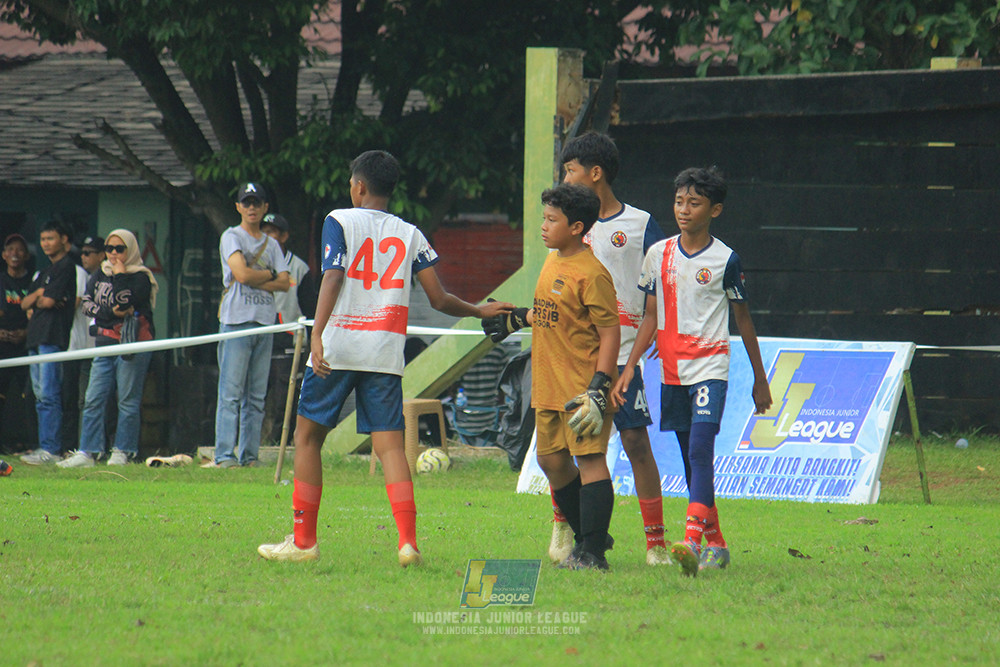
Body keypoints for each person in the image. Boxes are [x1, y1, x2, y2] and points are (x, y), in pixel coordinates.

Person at [257, 150, 512, 566]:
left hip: (338, 346)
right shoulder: (411, 232)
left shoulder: (338, 220)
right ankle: (408, 543)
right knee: (392, 448)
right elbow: (439, 297)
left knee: (307, 439)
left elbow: (334, 275)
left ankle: (303, 543)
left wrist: (317, 333)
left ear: (358, 186)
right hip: (383, 352)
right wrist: (480, 309)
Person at [611, 167, 773, 576]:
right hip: (671, 372)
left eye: (694, 203)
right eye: (680, 201)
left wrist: (760, 378)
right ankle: (717, 542)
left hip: (710, 368)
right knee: (688, 459)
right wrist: (630, 368)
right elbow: (650, 316)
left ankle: (691, 541)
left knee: (701, 451)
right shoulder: (658, 254)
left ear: (714, 210)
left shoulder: (726, 260)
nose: (684, 209)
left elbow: (744, 320)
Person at [482, 183, 620, 571]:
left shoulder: (592, 273)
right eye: (544, 217)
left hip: (580, 389)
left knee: (590, 461)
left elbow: (611, 333)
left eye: (551, 219)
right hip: (547, 385)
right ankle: (591, 535)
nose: (543, 226)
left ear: (576, 227)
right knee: (551, 462)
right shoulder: (554, 259)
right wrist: (516, 318)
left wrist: (599, 388)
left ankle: (592, 552)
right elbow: (554, 312)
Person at [558, 131, 670, 566]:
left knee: (636, 441)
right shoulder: (570, 226)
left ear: (596, 173)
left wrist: (660, 328)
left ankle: (656, 543)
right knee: (575, 449)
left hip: (622, 355)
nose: (565, 178)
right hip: (577, 356)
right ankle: (568, 530)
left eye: (571, 170)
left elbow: (664, 279)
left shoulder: (641, 225)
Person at [206, 182, 290, 468]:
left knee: (255, 396)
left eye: (257, 203)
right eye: (246, 202)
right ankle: (225, 455)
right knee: (230, 393)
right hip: (236, 321)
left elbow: (286, 283)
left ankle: (249, 456)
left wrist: (262, 277)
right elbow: (240, 274)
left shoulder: (273, 244)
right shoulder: (231, 236)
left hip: (264, 323)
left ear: (265, 207)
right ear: (238, 207)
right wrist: (268, 274)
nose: (251, 207)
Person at [57, 229, 158, 468]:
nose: (113, 254)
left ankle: (123, 450)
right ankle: (87, 452)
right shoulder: (100, 273)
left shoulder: (141, 277)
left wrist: (121, 276)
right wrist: (110, 313)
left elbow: (126, 302)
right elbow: (87, 305)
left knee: (127, 399)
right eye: (109, 249)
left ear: (130, 250)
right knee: (93, 397)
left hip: (132, 343)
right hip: (104, 342)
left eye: (119, 249)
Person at [19, 221, 77, 465]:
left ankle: (51, 450)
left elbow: (49, 302)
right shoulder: (44, 272)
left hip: (52, 337)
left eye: (50, 238)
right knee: (40, 395)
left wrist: (41, 298)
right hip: (35, 338)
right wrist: (39, 296)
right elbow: (24, 304)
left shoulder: (66, 267)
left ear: (64, 240)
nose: (45, 244)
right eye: (42, 239)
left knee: (50, 395)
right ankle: (45, 446)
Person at [61, 235, 103, 451]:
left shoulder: (91, 276)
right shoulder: (86, 276)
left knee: (89, 400)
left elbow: (76, 303)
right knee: (75, 400)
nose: (84, 257)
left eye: (88, 253)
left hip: (93, 347)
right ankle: (77, 448)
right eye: (82, 252)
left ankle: (89, 448)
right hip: (74, 348)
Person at [0, 234, 33, 450]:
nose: (15, 254)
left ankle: (31, 443)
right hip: (2, 347)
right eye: (10, 249)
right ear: (3, 255)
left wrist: (27, 333)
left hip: (26, 346)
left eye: (20, 249)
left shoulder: (34, 281)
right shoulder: (1, 281)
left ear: (27, 255)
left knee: (30, 395)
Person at [261, 212, 315, 331]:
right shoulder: (251, 266)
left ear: (284, 236)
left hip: (290, 340)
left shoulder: (299, 268)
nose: (265, 237)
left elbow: (309, 309)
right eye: (262, 232)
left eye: (270, 232)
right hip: (258, 334)